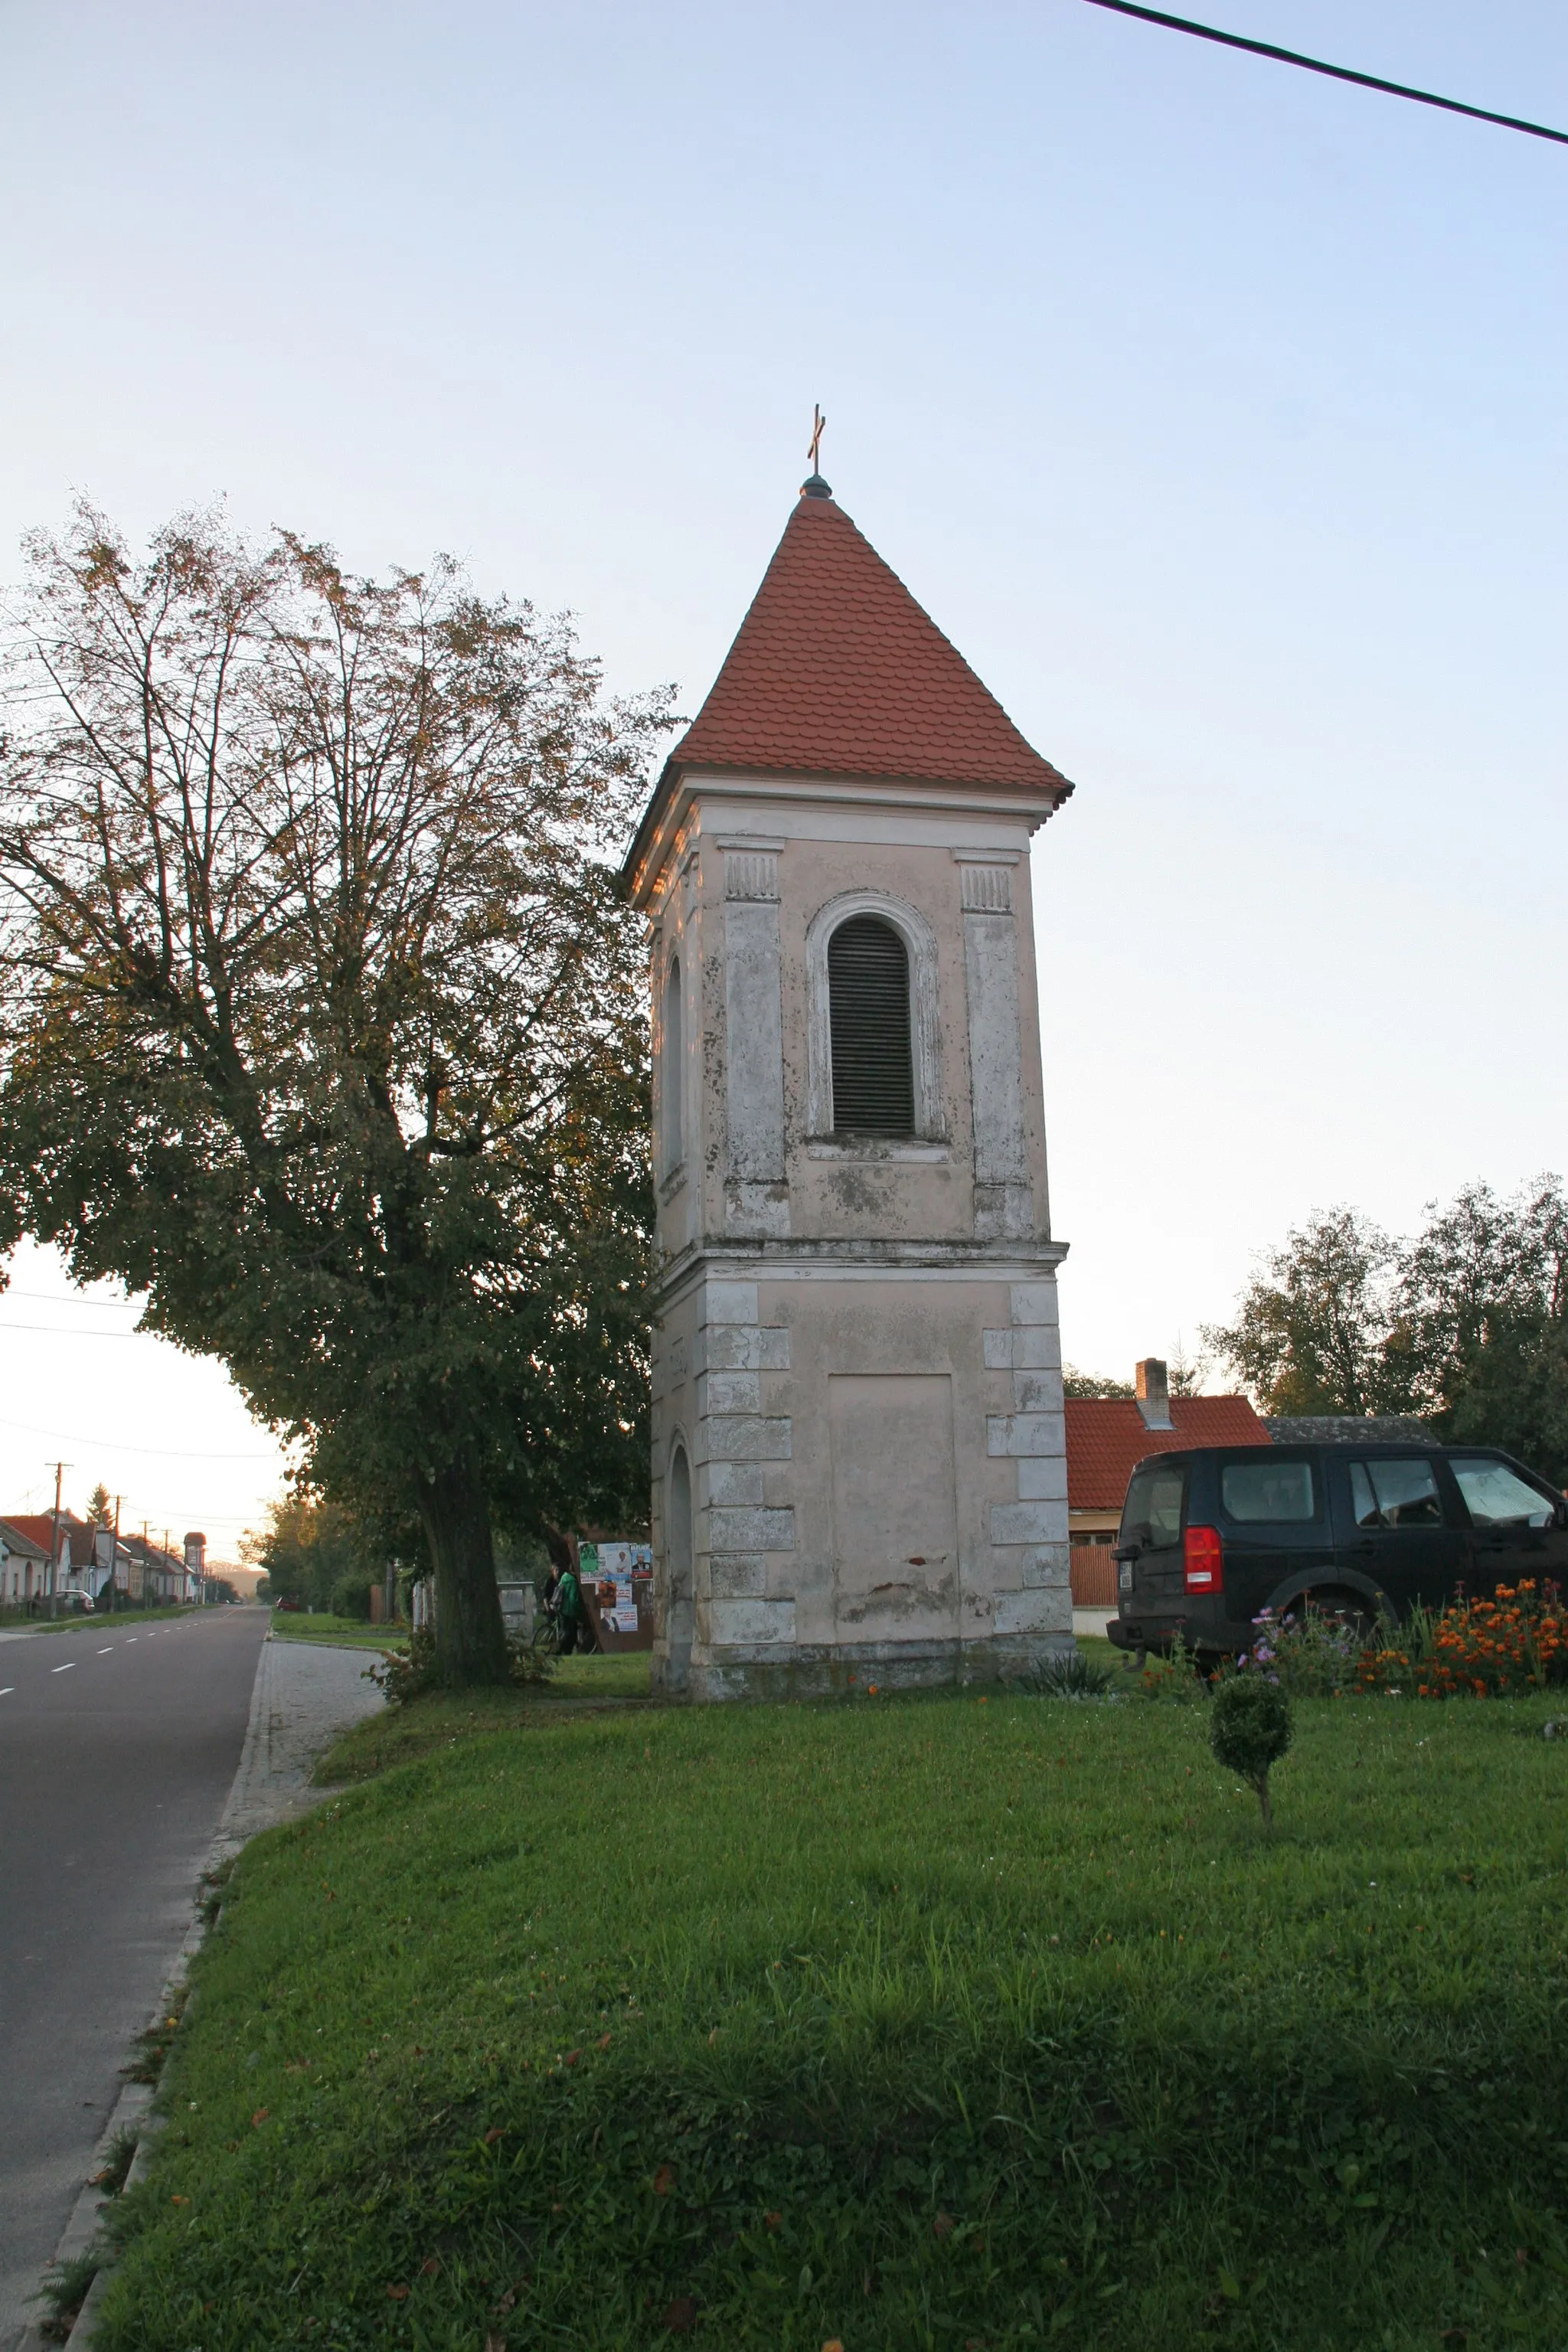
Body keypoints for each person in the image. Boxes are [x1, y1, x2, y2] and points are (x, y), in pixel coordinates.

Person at [554, 1556, 584, 1655]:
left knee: (565, 1632)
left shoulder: (564, 1578)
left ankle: (561, 1651)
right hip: (570, 1611)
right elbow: (573, 1599)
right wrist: (580, 1611)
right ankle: (564, 1652)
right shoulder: (573, 1581)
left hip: (561, 1609)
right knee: (570, 1634)